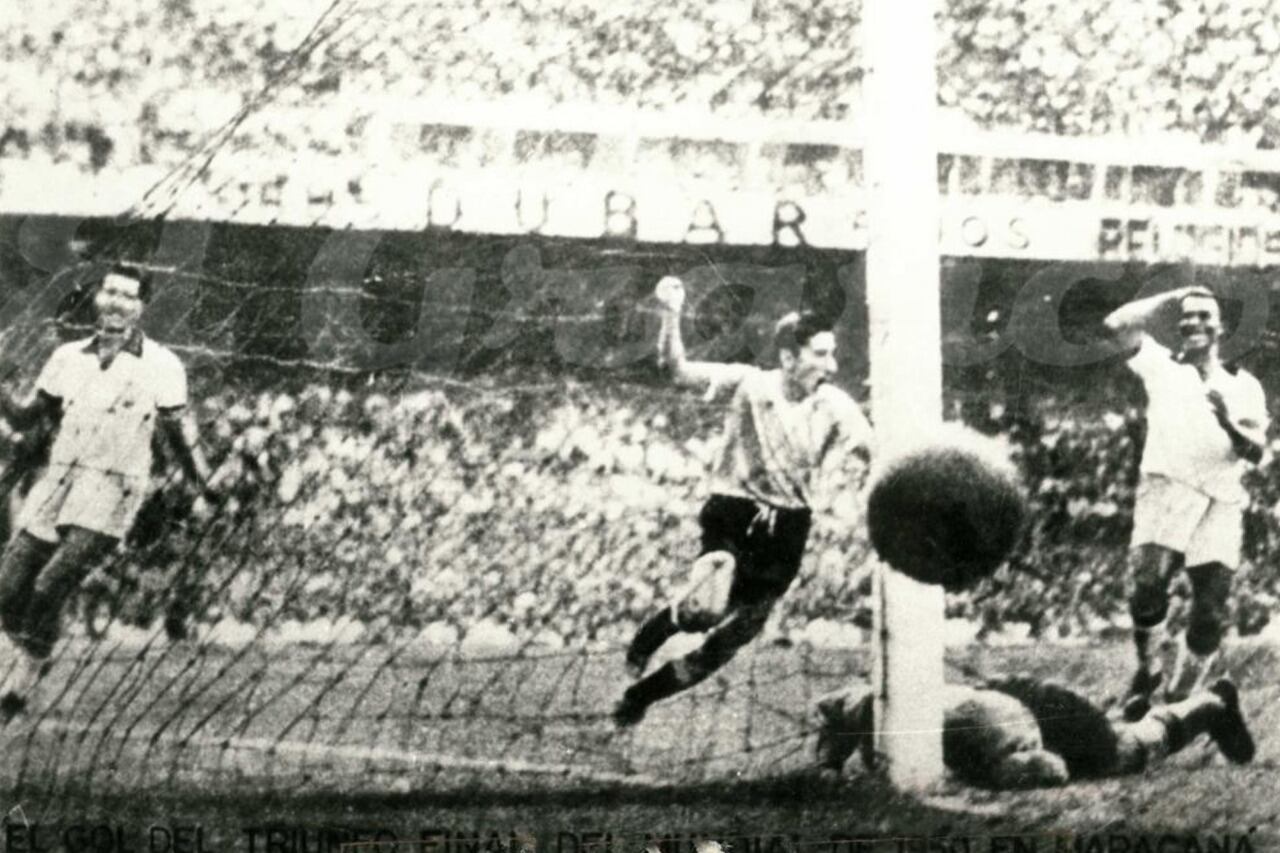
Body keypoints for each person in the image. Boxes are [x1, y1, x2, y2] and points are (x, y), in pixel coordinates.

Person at [613, 276, 872, 727]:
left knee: (727, 642)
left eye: (832, 353)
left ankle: (641, 695)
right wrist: (672, 314)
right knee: (704, 610)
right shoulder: (750, 384)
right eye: (820, 354)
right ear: (789, 357)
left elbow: (873, 449)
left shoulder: (835, 405)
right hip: (735, 511)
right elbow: (677, 370)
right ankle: (650, 636)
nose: (831, 365)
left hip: (790, 527)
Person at [0, 263, 218, 720]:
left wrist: (202, 484)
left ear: (140, 306)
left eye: (128, 296)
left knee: (48, 586)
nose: (117, 302)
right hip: (59, 479)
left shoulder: (162, 365)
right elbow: (25, 417)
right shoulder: (67, 358)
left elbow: (180, 431)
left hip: (114, 487)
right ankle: (25, 659)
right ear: (97, 297)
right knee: (6, 586)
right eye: (110, 292)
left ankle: (18, 684)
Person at [1102, 286, 1267, 715]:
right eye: (1187, 316)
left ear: (1221, 328)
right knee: (1148, 586)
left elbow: (1256, 452)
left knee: (1210, 609)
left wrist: (1228, 423)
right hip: (1167, 486)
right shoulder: (1162, 368)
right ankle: (1148, 669)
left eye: (1204, 315)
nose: (1193, 322)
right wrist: (1179, 293)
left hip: (1221, 497)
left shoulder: (1244, 385)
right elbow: (1116, 323)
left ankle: (1178, 698)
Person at [814, 675, 1254, 789]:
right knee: (1114, 737)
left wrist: (980, 777)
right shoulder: (882, 703)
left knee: (1129, 750)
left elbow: (1051, 769)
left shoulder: (985, 735)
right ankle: (1123, 715)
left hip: (1033, 715)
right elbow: (840, 709)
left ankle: (1211, 704)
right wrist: (830, 763)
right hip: (1011, 695)